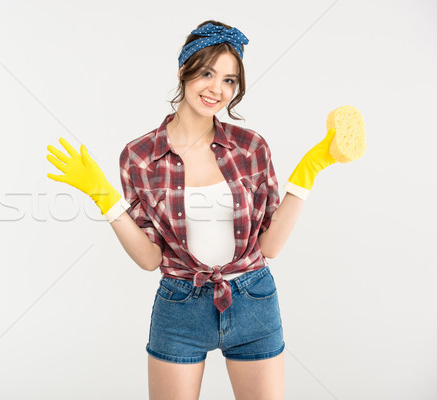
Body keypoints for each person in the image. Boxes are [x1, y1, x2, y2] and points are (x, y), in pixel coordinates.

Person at [46, 19, 337, 400]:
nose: (217, 89)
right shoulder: (140, 157)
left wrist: (307, 172)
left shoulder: (251, 147)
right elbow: (150, 258)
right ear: (183, 71)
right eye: (207, 73)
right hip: (180, 304)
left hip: (253, 300)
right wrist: (105, 198)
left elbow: (270, 247)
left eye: (230, 80)